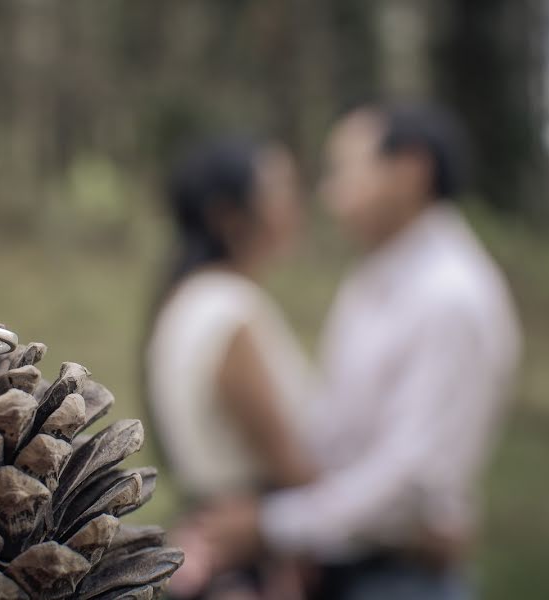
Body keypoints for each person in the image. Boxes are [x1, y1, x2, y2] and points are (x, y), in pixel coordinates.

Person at [194, 104, 523, 600]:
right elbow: (336, 426)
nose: (329, 195)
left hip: (402, 577)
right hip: (346, 562)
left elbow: (410, 482)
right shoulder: (373, 276)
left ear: (410, 170)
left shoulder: (453, 296)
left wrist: (274, 525)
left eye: (345, 171)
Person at [145, 137, 317, 598]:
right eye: (278, 190)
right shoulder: (229, 312)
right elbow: (288, 462)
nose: (295, 205)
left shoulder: (187, 299)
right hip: (246, 554)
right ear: (229, 215)